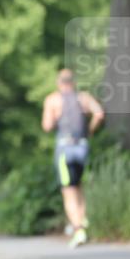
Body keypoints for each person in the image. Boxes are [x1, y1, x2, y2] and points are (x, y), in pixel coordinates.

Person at [41, 69, 105, 248]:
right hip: (82, 146)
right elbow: (99, 113)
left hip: (65, 148)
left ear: (59, 83)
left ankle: (78, 230)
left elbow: (46, 126)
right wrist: (89, 130)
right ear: (73, 82)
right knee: (79, 187)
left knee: (68, 191)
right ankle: (82, 224)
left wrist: (56, 118)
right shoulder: (83, 97)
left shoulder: (53, 99)